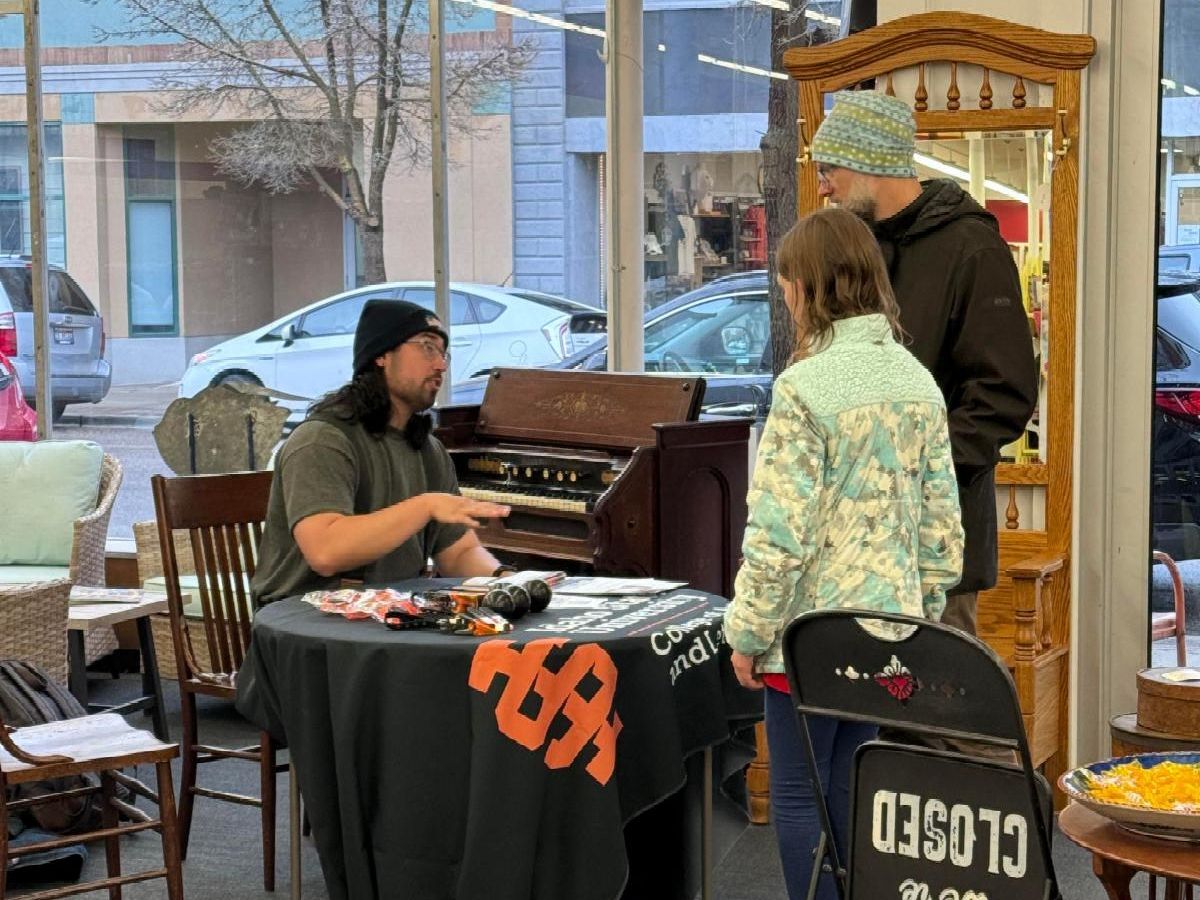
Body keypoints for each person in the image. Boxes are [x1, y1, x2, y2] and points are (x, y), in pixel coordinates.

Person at [723, 207, 964, 900]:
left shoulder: (803, 389)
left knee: (799, 795)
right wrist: (915, 614)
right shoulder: (918, 383)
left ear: (808, 287)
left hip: (807, 638)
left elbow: (779, 536)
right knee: (856, 783)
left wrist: (748, 632)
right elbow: (942, 531)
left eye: (786, 285)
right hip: (887, 628)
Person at [809, 89, 1039, 635]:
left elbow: (1002, 396)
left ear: (870, 164)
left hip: (935, 538)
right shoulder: (855, 249)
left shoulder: (974, 250)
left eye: (829, 168)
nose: (821, 185)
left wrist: (909, 472)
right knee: (859, 711)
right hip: (852, 541)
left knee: (936, 707)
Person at [251, 299, 511, 606]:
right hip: (308, 626)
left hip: (390, 619)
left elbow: (459, 552)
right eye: (427, 347)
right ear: (382, 355)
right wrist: (424, 507)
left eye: (444, 353)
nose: (441, 365)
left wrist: (507, 581)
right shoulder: (322, 440)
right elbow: (325, 552)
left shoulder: (429, 449)